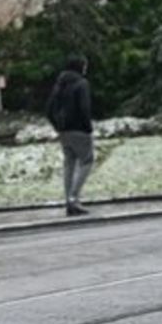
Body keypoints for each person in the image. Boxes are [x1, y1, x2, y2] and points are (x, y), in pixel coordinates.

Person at [45, 55, 95, 216]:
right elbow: (84, 108)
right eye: (85, 66)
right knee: (87, 161)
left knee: (69, 164)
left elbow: (48, 109)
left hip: (63, 131)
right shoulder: (81, 84)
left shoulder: (59, 84)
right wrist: (88, 128)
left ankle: (68, 200)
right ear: (80, 67)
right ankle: (74, 198)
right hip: (79, 129)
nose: (86, 69)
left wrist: (58, 126)